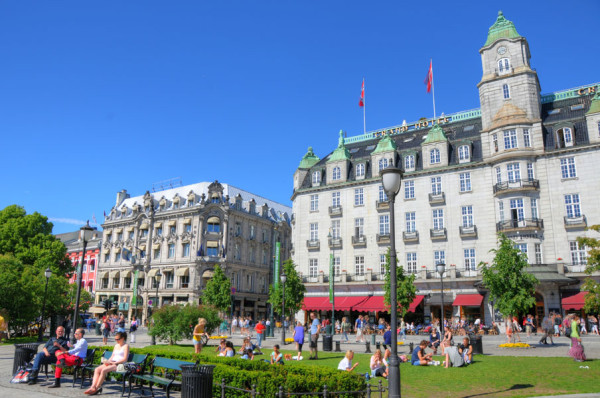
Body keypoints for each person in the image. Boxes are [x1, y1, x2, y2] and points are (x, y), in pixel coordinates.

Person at [84, 331, 129, 395]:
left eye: (118, 339)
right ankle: (93, 386)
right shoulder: (116, 346)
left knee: (103, 370)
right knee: (97, 369)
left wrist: (114, 363)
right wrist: (108, 361)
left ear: (123, 338)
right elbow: (112, 356)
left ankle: (97, 388)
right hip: (112, 362)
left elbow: (125, 359)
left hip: (119, 364)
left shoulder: (126, 346)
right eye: (115, 339)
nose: (116, 340)